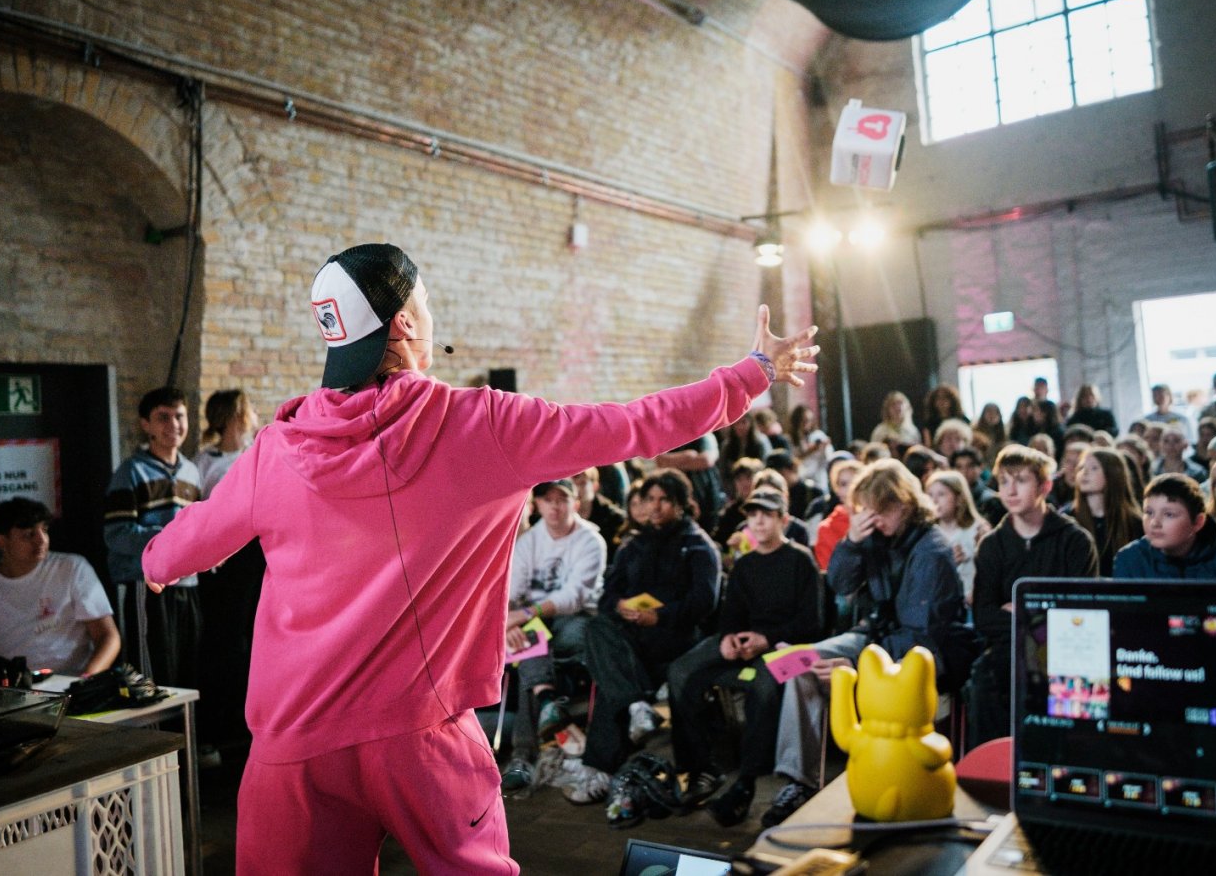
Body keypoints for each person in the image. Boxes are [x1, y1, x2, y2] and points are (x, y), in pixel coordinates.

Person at [140, 243, 820, 873]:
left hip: (294, 747)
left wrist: (153, 561)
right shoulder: (486, 425)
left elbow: (175, 550)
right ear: (404, 324)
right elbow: (632, 425)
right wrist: (751, 374)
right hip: (421, 738)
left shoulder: (275, 451)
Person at [764, 459, 965, 827]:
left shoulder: (931, 551)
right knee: (797, 665)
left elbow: (919, 636)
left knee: (818, 665)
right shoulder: (876, 537)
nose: (872, 518)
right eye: (866, 509)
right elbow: (840, 585)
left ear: (903, 504)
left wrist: (857, 667)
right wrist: (852, 542)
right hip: (876, 637)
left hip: (924, 653)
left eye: (879, 509)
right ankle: (800, 781)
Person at [666, 489, 824, 826]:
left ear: (783, 519)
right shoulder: (745, 564)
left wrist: (766, 639)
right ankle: (698, 767)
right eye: (752, 515)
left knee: (763, 686)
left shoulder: (801, 560)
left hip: (789, 647)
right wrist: (728, 638)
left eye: (767, 514)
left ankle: (746, 782)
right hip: (744, 641)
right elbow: (730, 613)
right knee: (681, 671)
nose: (759, 521)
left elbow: (812, 623)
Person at [576, 469, 724, 813]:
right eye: (650, 499)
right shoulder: (634, 545)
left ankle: (603, 766)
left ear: (680, 504)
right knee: (597, 629)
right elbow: (607, 596)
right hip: (634, 634)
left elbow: (705, 602)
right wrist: (620, 606)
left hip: (678, 636)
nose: (655, 507)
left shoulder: (697, 545)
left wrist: (662, 616)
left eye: (664, 500)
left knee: (613, 673)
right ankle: (636, 708)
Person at [968, 445, 1097, 745]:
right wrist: (1043, 614)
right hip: (1008, 650)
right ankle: (992, 767)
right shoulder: (992, 545)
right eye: (1004, 481)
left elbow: (1080, 614)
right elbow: (984, 617)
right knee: (984, 679)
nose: (1010, 490)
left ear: (1045, 486)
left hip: (1065, 652)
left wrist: (1021, 612)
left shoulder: (1075, 540)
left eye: (1021, 480)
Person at [500, 479, 608, 795]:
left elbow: (573, 597)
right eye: (548, 500)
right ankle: (548, 704)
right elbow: (510, 592)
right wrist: (509, 622)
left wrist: (521, 618)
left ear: (576, 503)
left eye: (562, 499)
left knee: (530, 649)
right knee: (530, 646)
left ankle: (522, 756)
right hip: (532, 623)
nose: (555, 506)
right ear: (538, 505)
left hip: (578, 620)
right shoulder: (529, 542)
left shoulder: (591, 540)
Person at [0, 497, 119, 677]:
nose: (41, 540)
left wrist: (86, 679)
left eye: (44, 530)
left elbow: (108, 636)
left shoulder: (72, 568)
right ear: (1, 541)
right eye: (29, 535)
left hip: (71, 681)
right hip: (9, 686)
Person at [105, 386, 202, 688]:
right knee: (153, 678)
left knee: (188, 675)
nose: (173, 424)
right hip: (147, 587)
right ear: (145, 424)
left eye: (179, 416)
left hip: (188, 586)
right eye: (163, 417)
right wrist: (171, 538)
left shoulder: (192, 472)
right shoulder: (130, 472)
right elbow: (117, 534)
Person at [193, 389, 268, 754]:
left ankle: (256, 722)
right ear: (233, 416)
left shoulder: (259, 451)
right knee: (226, 638)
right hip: (224, 560)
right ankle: (224, 727)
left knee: (258, 636)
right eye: (247, 410)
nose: (253, 416)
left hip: (260, 554)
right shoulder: (204, 461)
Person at [1113, 474, 1216, 581]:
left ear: (1198, 522)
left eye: (1169, 514)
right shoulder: (1129, 558)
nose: (1154, 523)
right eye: (1149, 512)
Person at [1072, 447, 1143, 577]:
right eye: (1081, 468)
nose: (1084, 473)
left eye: (1094, 468)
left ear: (1112, 474)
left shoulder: (1134, 522)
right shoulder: (1069, 518)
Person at [925, 470, 988, 607]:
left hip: (971, 602)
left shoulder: (977, 530)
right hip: (941, 604)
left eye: (941, 494)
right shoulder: (927, 533)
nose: (934, 501)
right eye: (930, 495)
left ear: (959, 499)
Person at [571, 466, 627, 551]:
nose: (577, 489)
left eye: (582, 483)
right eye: (573, 484)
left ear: (595, 486)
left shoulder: (613, 518)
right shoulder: (564, 514)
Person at [951, 445, 1005, 526]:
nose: (964, 471)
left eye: (969, 466)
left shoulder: (992, 500)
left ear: (981, 467)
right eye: (959, 467)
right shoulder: (950, 498)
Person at [786, 404, 831, 487]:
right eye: (803, 420)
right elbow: (790, 462)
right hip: (800, 481)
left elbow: (829, 460)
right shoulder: (789, 439)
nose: (806, 424)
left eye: (809, 420)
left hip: (818, 480)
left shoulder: (818, 436)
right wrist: (810, 451)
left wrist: (825, 448)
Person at [920, 384, 969, 449]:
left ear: (952, 400)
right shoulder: (929, 423)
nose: (941, 401)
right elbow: (928, 445)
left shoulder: (962, 419)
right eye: (938, 398)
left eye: (945, 398)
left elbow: (968, 440)